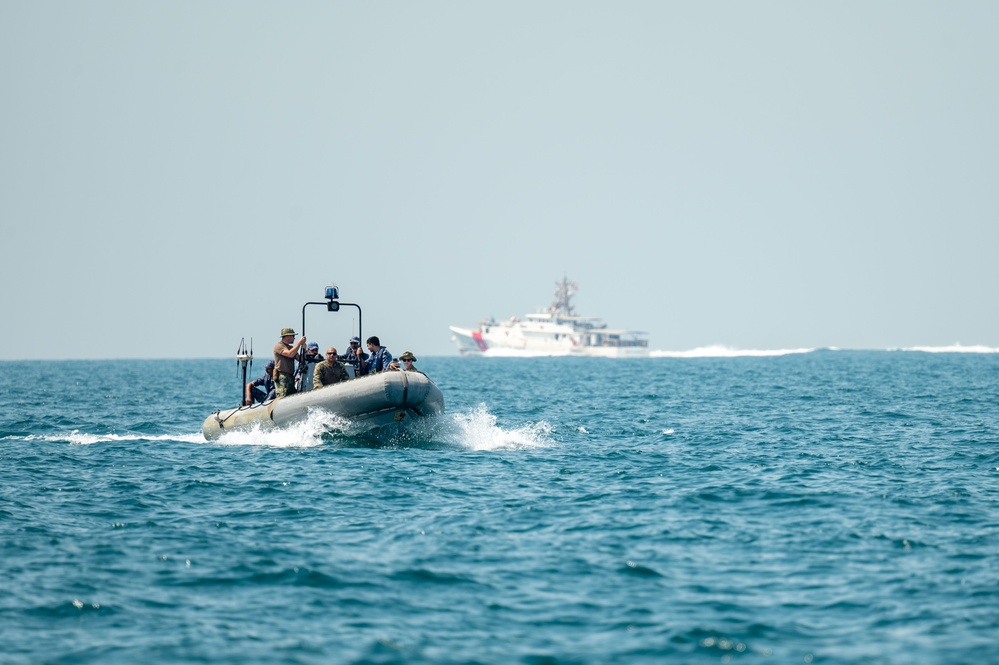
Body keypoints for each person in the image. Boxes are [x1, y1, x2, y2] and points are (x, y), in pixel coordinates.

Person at [273, 327, 306, 398]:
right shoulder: (278, 346)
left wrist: (304, 349)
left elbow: (301, 359)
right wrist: (299, 343)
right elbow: (290, 354)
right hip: (282, 377)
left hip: (290, 376)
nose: (294, 338)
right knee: (282, 396)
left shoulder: (291, 348)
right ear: (288, 336)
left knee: (292, 395)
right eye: (293, 336)